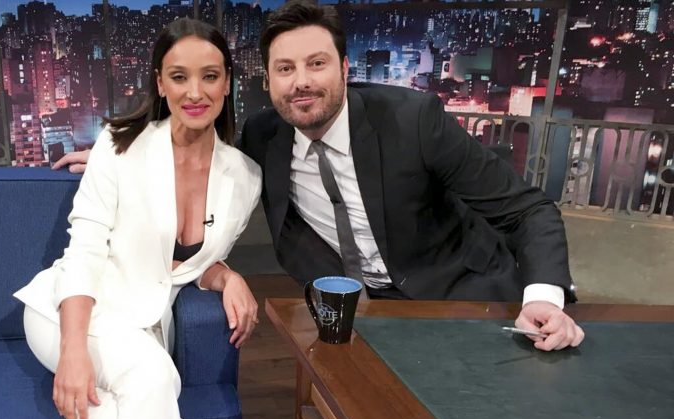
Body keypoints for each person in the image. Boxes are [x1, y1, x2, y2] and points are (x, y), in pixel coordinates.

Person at [54, 1, 584, 352]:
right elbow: (197, 150)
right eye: (285, 69)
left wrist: (543, 296)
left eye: (316, 64)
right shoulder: (264, 138)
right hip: (360, 315)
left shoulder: (412, 121)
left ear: (345, 69)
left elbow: (528, 209)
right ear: (267, 80)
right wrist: (117, 153)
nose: (301, 82)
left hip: (464, 296)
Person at [15, 18, 262, 419]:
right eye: (179, 77)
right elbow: (85, 251)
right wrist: (74, 350)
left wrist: (227, 276)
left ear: (227, 83)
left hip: (141, 328)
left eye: (209, 76)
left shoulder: (246, 179)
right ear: (161, 84)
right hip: (68, 315)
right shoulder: (119, 146)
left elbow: (181, 264)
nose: (195, 92)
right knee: (155, 376)